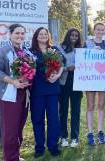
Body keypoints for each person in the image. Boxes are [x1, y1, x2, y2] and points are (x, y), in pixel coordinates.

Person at [0, 24, 32, 161]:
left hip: (23, 94)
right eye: (17, 33)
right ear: (10, 34)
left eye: (22, 33)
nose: (20, 36)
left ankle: (15, 155)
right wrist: (13, 82)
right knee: (10, 128)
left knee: (19, 125)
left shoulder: (26, 51)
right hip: (9, 94)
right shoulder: (3, 50)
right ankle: (10, 158)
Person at [30, 27, 63, 158]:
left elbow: (62, 65)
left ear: (48, 36)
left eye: (45, 34)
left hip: (52, 90)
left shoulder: (54, 49)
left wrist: (57, 76)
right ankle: (39, 147)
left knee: (53, 119)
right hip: (37, 91)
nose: (43, 36)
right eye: (40, 34)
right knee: (37, 119)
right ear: (36, 37)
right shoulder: (30, 52)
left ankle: (53, 146)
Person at [84, 22, 105, 145]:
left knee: (101, 104)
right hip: (89, 79)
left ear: (104, 31)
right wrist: (91, 52)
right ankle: (89, 132)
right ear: (94, 30)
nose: (100, 31)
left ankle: (100, 131)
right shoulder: (87, 43)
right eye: (98, 29)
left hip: (103, 79)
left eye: (102, 30)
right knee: (90, 105)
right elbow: (82, 58)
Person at [59, 28, 83, 148]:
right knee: (63, 110)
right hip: (64, 81)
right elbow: (56, 65)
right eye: (72, 35)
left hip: (78, 82)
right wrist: (66, 68)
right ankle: (63, 136)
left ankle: (75, 137)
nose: (74, 37)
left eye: (76, 35)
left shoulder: (82, 50)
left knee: (76, 110)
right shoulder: (59, 48)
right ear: (68, 35)